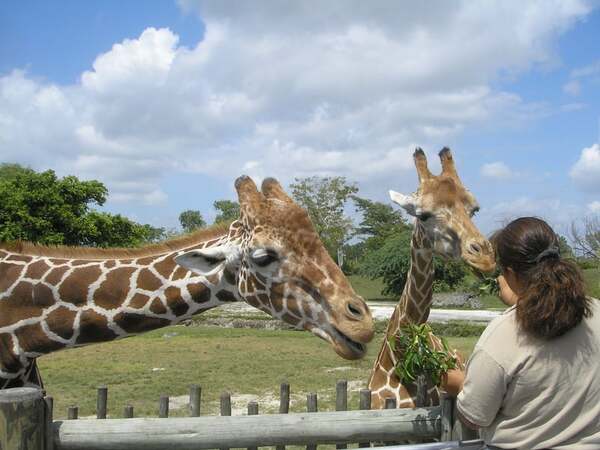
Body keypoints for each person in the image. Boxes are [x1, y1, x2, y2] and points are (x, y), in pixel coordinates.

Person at [441, 217, 600, 449]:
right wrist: (518, 301)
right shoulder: (595, 310)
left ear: (510, 273)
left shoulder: (502, 335)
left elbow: (475, 416)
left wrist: (459, 384)